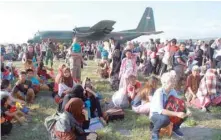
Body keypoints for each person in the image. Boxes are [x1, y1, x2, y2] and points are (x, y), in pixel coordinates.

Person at [150, 71, 189, 140]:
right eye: (171, 81)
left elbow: (179, 102)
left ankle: (175, 127)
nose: (174, 83)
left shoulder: (172, 91)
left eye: (174, 81)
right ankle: (155, 132)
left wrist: (187, 110)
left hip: (167, 111)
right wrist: (177, 114)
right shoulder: (159, 92)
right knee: (164, 119)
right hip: (156, 114)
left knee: (184, 112)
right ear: (164, 82)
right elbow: (161, 111)